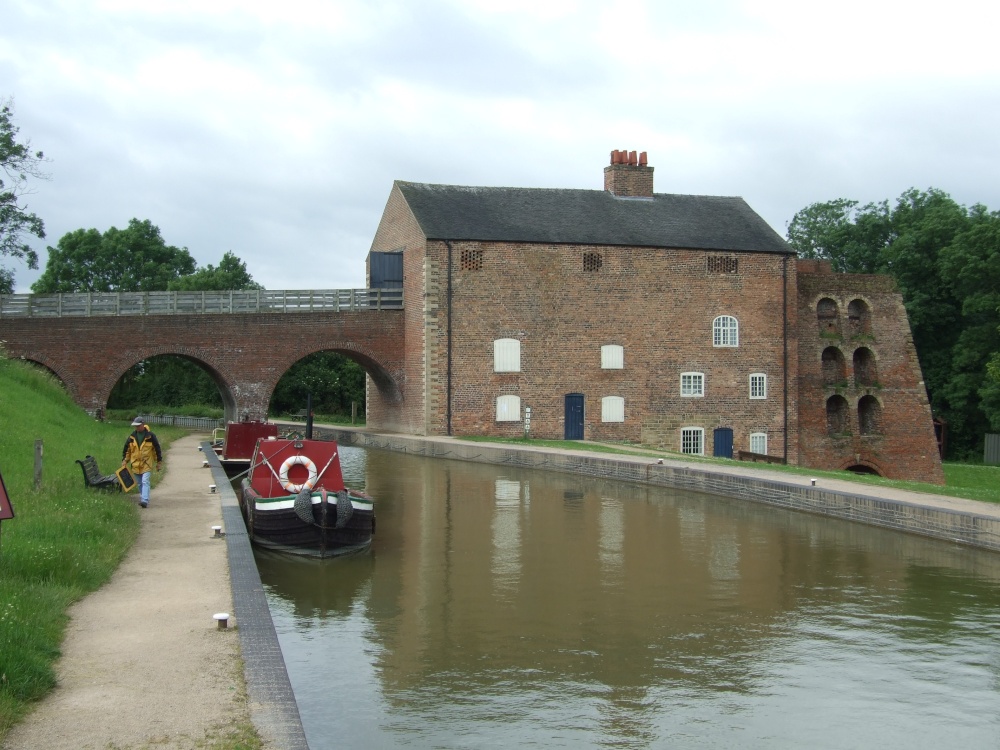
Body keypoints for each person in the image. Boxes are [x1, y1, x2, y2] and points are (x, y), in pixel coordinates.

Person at [122, 417, 162, 508]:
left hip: (146, 463)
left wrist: (158, 462)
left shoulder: (151, 436)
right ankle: (143, 497)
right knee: (139, 483)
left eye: (138, 426)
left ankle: (144, 500)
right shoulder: (132, 437)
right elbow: (127, 450)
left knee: (145, 481)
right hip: (135, 464)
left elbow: (157, 449)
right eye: (135, 426)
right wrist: (125, 460)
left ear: (143, 425)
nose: (137, 428)